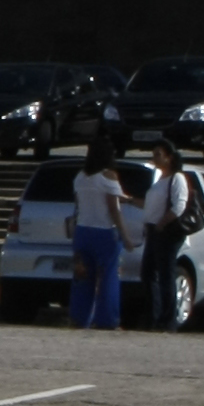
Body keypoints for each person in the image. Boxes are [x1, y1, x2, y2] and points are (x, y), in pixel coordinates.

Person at [67, 140, 136, 329]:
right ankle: (107, 319)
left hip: (82, 230)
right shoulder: (109, 175)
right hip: (104, 232)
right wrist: (126, 235)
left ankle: (79, 317)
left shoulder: (80, 177)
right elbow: (114, 209)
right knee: (108, 277)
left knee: (82, 276)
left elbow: (78, 204)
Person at [133, 140, 199, 331]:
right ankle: (155, 316)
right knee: (148, 273)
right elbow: (149, 204)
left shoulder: (177, 178)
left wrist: (162, 223)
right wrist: (129, 200)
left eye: (158, 154)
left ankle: (168, 320)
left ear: (169, 157)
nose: (154, 158)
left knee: (166, 274)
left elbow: (179, 205)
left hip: (167, 232)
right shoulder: (159, 179)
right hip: (154, 231)